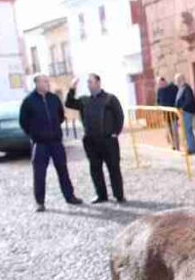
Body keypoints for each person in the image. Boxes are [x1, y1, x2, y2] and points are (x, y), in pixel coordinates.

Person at [19, 75, 83, 211]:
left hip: (55, 142)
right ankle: (40, 202)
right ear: (36, 83)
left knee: (63, 170)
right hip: (40, 144)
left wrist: (54, 128)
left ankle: (70, 196)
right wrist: (34, 134)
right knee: (39, 174)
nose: (47, 83)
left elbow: (60, 116)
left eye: (47, 81)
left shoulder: (53, 98)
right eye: (44, 81)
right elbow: (23, 122)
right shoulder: (28, 101)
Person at [66, 74, 126, 204]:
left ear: (98, 83)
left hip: (108, 140)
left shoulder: (110, 99)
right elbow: (69, 103)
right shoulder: (84, 100)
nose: (89, 85)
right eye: (87, 82)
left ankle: (119, 194)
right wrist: (72, 88)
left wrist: (116, 132)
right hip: (91, 141)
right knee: (95, 168)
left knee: (113, 168)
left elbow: (119, 116)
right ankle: (101, 195)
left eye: (91, 82)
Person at [174, 74, 195, 154]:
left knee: (188, 130)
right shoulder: (181, 88)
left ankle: (191, 148)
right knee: (185, 130)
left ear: (181, 80)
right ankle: (189, 147)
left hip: (187, 112)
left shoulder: (186, 88)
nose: (176, 82)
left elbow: (188, 100)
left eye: (177, 80)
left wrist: (182, 108)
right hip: (183, 113)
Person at [156, 76, 179, 150]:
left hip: (173, 114)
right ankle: (173, 145)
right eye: (158, 84)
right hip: (165, 115)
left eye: (160, 83)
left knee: (175, 130)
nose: (160, 85)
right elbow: (158, 101)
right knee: (169, 131)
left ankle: (177, 146)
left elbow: (178, 98)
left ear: (164, 81)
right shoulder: (159, 90)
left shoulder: (173, 88)